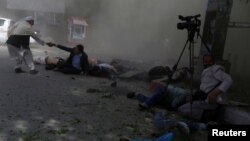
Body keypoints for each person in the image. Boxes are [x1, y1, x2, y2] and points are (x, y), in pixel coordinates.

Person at [128, 54, 233, 111]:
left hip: (167, 92)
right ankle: (144, 102)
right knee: (157, 99)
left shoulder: (215, 69)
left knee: (155, 100)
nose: (207, 64)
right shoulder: (182, 94)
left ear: (213, 62)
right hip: (165, 90)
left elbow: (228, 79)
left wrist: (215, 92)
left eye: (209, 62)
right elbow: (174, 104)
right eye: (205, 61)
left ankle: (138, 95)